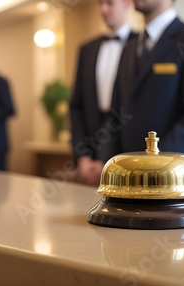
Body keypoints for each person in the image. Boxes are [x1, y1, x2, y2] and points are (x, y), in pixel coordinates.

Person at [112, 0, 184, 179]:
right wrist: (108, 162)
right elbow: (116, 112)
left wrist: (155, 164)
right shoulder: (129, 47)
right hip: (129, 178)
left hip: (177, 178)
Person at [70, 0, 136, 185]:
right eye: (100, 3)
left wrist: (106, 161)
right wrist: (82, 156)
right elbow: (77, 106)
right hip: (91, 144)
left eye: (109, 3)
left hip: (129, 151)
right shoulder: (86, 49)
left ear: (127, 4)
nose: (103, 9)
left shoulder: (141, 45)